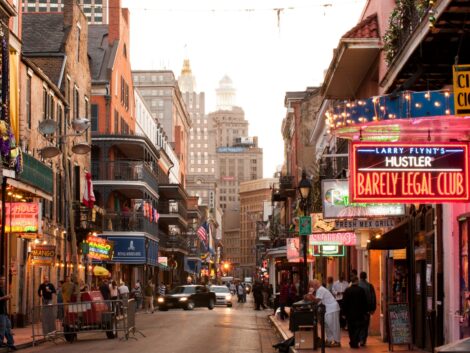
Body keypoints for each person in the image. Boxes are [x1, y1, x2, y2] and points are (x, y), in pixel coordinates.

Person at [304, 279, 341, 347]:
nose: (311, 287)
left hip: (332, 309)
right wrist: (310, 296)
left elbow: (317, 300)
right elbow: (317, 301)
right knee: (327, 325)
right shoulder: (319, 290)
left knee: (333, 326)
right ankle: (329, 340)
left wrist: (310, 295)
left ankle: (337, 341)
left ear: (315, 285)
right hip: (328, 310)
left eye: (312, 285)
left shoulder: (321, 289)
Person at [343, 276, 368, 349]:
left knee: (351, 328)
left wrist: (344, 313)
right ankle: (355, 341)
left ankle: (352, 341)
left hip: (350, 314)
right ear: (357, 281)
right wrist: (365, 312)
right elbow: (364, 302)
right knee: (358, 327)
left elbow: (345, 302)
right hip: (359, 313)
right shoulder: (361, 290)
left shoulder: (347, 290)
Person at [358, 272, 377, 346]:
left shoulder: (356, 285)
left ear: (360, 277)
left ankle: (359, 338)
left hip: (358, 309)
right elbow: (373, 298)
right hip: (366, 309)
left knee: (358, 324)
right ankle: (363, 339)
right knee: (365, 325)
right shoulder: (369, 286)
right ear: (366, 277)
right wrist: (373, 308)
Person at [0, 276, 16, 350]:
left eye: (4, 279)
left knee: (8, 328)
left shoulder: (2, 288)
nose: (3, 281)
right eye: (1, 279)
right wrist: (6, 297)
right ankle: (0, 342)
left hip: (4, 312)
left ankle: (11, 343)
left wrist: (7, 297)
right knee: (2, 329)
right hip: (0, 312)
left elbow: (2, 299)